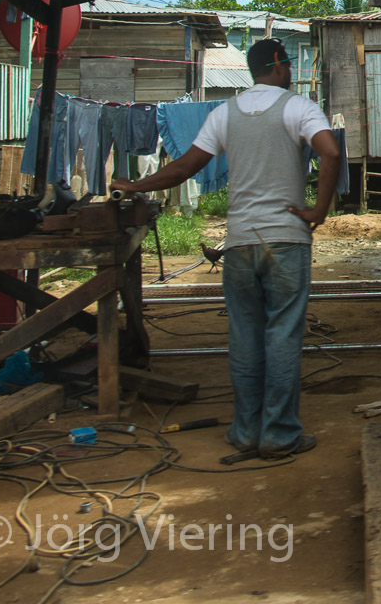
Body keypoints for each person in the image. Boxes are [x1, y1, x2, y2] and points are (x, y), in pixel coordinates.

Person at [112, 38, 342, 459]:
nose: (291, 71)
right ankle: (278, 435)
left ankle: (246, 430)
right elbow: (331, 152)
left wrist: (135, 185)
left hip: (238, 243)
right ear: (278, 66)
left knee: (245, 338)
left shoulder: (224, 114)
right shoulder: (299, 108)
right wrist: (319, 210)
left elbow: (185, 167)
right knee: (282, 336)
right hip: (285, 240)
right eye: (288, 64)